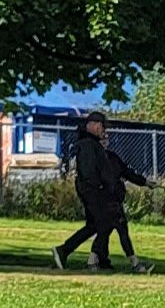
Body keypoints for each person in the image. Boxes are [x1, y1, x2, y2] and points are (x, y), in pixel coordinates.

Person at [51, 112, 154, 273]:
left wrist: (144, 182)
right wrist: (100, 188)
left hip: (98, 192)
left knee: (96, 225)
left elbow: (123, 171)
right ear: (94, 125)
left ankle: (73, 253)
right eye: (101, 127)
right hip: (95, 193)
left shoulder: (95, 146)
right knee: (105, 223)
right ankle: (77, 255)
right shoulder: (87, 145)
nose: (103, 131)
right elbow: (89, 171)